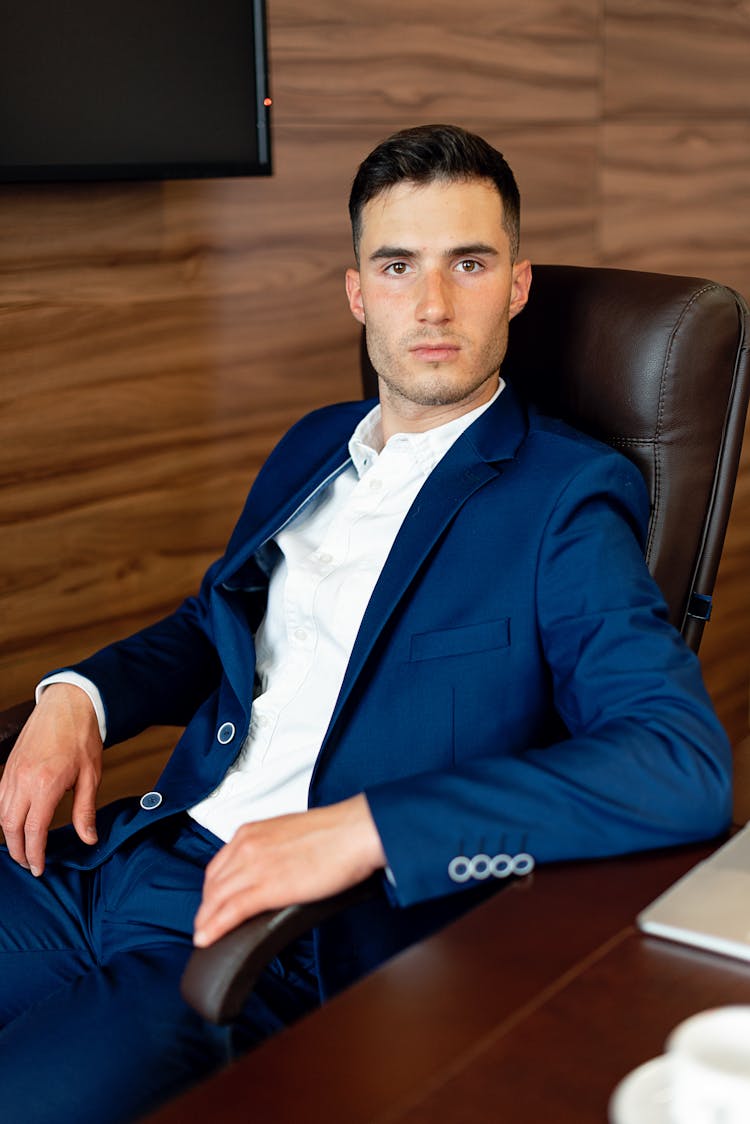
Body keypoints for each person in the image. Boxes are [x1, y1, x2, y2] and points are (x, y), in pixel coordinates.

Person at [0, 124, 731, 1122]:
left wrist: (367, 827)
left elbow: (677, 763)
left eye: (467, 263)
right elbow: (208, 625)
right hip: (114, 854)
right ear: (357, 292)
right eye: (398, 265)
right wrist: (74, 698)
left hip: (268, 932)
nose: (432, 305)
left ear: (515, 284)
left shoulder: (567, 497)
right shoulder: (311, 446)